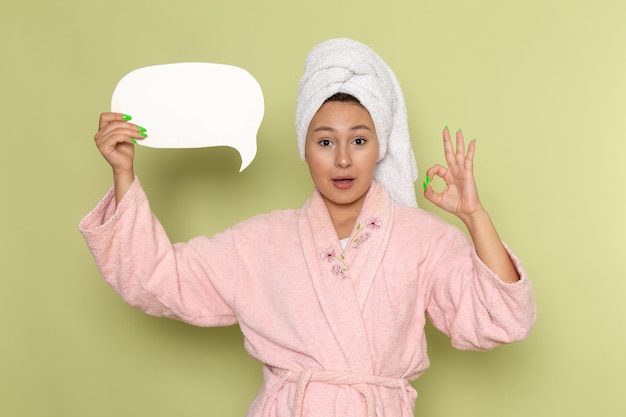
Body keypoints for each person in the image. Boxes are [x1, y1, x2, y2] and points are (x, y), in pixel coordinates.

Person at [80, 38, 536, 417]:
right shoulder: (261, 241)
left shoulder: (423, 239)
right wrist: (123, 174)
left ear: (380, 147)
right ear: (304, 147)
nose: (342, 159)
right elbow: (157, 278)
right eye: (324, 141)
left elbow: (503, 319)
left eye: (359, 140)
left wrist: (475, 216)